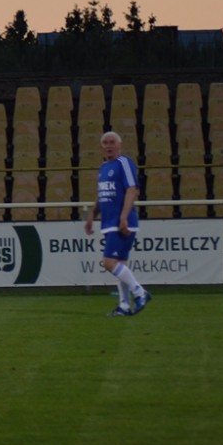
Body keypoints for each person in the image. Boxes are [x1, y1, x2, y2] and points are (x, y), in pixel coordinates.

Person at [84, 131, 151, 317]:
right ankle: (124, 305)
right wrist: (92, 215)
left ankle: (140, 292)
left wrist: (123, 217)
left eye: (112, 142)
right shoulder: (104, 167)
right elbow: (103, 194)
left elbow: (132, 189)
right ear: (101, 147)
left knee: (109, 262)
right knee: (120, 264)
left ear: (119, 145)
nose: (109, 145)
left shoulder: (124, 162)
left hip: (121, 222)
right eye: (105, 142)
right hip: (109, 222)